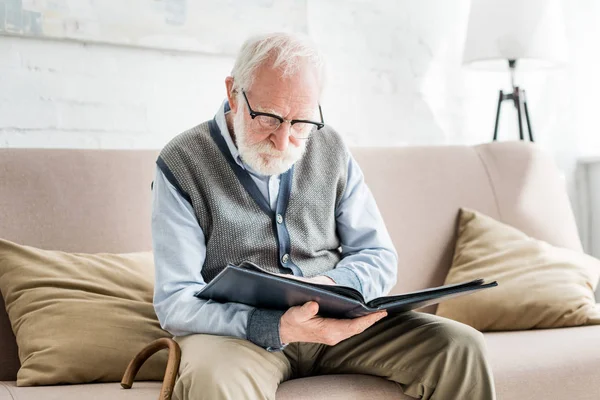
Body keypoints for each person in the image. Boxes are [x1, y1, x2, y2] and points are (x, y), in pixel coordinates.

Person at [151, 32, 496, 400]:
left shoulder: (330, 146)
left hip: (338, 328)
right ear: (234, 92)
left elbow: (378, 256)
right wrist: (277, 326)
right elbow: (176, 301)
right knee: (217, 380)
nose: (284, 142)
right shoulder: (182, 163)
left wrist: (333, 288)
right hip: (241, 337)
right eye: (268, 118)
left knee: (459, 346)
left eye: (300, 122)